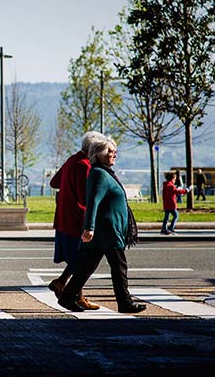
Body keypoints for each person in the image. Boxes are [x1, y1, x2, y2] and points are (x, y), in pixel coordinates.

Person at [58, 138, 146, 314]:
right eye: (110, 151)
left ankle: (68, 296)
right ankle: (125, 302)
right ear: (98, 154)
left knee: (88, 265)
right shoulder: (99, 174)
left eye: (114, 151)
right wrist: (89, 227)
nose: (114, 154)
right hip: (107, 231)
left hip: (106, 231)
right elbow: (93, 202)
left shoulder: (105, 173)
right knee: (119, 265)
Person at [48, 131, 106, 310]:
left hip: (64, 217)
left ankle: (64, 284)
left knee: (78, 258)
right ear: (94, 150)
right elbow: (86, 196)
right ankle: (72, 293)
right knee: (83, 258)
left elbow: (54, 182)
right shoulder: (85, 166)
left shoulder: (72, 160)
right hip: (77, 218)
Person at [160, 171, 189, 235]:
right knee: (176, 216)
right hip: (171, 204)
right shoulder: (170, 186)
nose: (175, 181)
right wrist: (186, 190)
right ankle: (171, 228)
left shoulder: (165, 185)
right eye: (174, 179)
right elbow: (176, 191)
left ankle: (164, 229)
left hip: (166, 204)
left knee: (166, 217)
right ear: (172, 179)